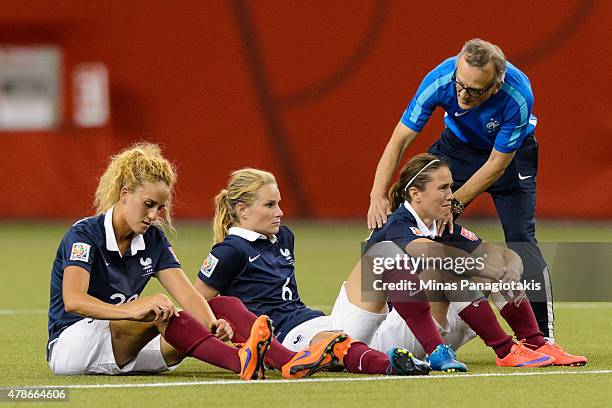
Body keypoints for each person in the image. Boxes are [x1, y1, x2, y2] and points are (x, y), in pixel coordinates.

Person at [367, 38, 554, 341]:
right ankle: (389, 322)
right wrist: (377, 194)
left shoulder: (518, 95)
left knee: (521, 239)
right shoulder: (441, 79)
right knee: (403, 219)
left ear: (496, 84)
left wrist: (453, 204)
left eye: (476, 90)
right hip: (456, 148)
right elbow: (399, 139)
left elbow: (495, 164)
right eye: (460, 85)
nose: (464, 96)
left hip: (510, 156)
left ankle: (543, 339)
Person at [46, 142, 275, 379]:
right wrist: (129, 310)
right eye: (148, 205)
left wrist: (213, 325)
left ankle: (288, 361)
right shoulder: (85, 235)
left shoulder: (153, 238)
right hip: (72, 346)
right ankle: (241, 361)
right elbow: (73, 301)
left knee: (219, 307)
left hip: (124, 347)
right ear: (125, 194)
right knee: (160, 309)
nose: (154, 215)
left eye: (160, 208)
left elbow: (188, 295)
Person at [194, 168, 431, 377]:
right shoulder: (229, 251)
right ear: (242, 210)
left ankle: (433, 348)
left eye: (278, 203)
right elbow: (197, 301)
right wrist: (228, 333)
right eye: (269, 205)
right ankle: (391, 366)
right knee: (336, 345)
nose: (280, 212)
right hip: (282, 335)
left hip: (310, 318)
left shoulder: (284, 237)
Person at [354, 153, 586, 366]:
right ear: (416, 193)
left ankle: (536, 343)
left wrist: (510, 270)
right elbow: (435, 255)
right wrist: (491, 273)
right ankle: (506, 351)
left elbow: (506, 254)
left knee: (495, 267)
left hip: (433, 333)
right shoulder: (397, 224)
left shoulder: (439, 224)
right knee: (448, 272)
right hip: (391, 336)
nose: (451, 196)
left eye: (451, 187)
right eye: (443, 188)